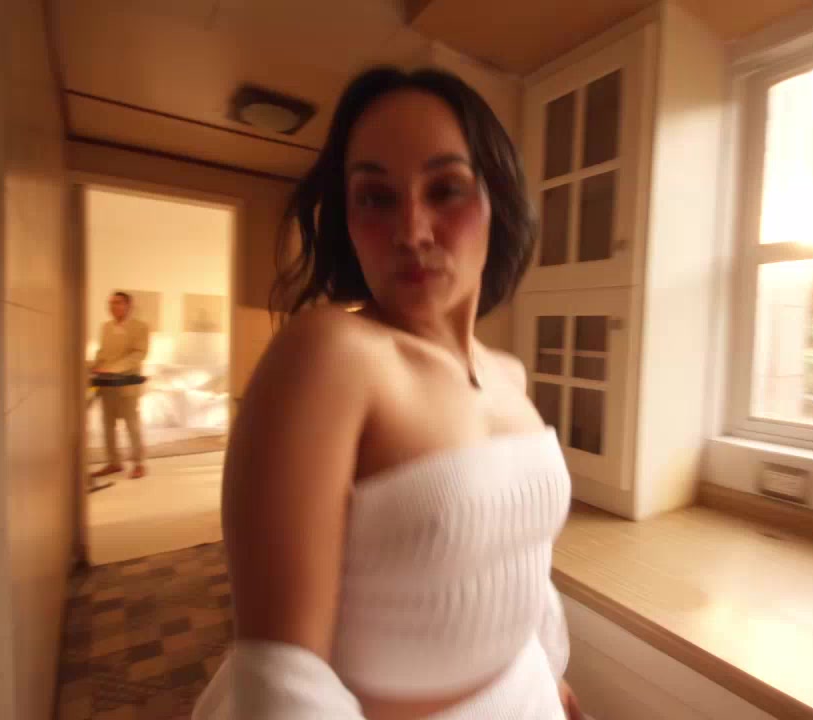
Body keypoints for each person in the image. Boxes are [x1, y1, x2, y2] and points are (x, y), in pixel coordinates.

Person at [194, 67, 582, 720]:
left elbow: (522, 563)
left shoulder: (509, 374)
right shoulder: (330, 355)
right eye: (376, 198)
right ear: (346, 219)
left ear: (498, 201)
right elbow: (284, 683)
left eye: (445, 189)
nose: (412, 230)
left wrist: (552, 678)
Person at [91, 291, 150, 480]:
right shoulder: (106, 327)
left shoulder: (140, 327)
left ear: (128, 306)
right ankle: (113, 462)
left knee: (132, 424)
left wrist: (113, 369)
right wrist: (95, 366)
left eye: (117, 303)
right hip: (106, 385)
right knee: (107, 425)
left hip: (127, 384)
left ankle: (139, 463)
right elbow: (102, 352)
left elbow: (138, 354)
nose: (113, 306)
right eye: (111, 303)